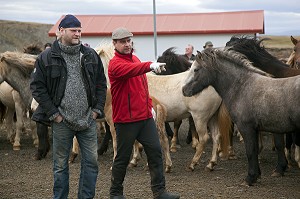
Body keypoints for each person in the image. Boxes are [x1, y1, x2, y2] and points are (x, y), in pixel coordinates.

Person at [30, 14, 107, 199]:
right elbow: (37, 87)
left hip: (88, 120)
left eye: (80, 31)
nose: (78, 34)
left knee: (91, 163)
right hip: (61, 121)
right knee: (60, 166)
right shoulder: (47, 57)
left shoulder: (90, 55)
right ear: (61, 31)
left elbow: (100, 84)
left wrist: (96, 110)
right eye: (74, 30)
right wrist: (54, 114)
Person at [108, 27, 180, 199]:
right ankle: (115, 193)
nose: (127, 44)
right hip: (126, 120)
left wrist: (149, 107)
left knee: (155, 152)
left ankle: (159, 191)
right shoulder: (115, 65)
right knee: (122, 158)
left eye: (129, 41)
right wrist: (150, 65)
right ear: (115, 44)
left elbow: (142, 87)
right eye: (123, 42)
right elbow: (133, 70)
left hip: (144, 118)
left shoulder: (135, 58)